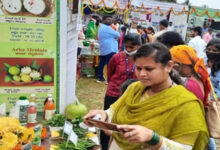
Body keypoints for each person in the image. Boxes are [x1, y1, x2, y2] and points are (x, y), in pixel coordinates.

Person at [84, 42, 209, 150]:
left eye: (149, 69)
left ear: (169, 66)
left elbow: (185, 148)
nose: (142, 74)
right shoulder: (135, 88)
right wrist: (103, 115)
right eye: (138, 68)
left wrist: (153, 138)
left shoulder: (186, 104)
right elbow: (114, 111)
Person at [100, 33, 141, 150]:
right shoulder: (116, 57)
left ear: (138, 46)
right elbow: (110, 74)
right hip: (114, 93)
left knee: (126, 122)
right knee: (108, 121)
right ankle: (104, 146)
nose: (128, 50)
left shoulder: (141, 60)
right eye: (126, 46)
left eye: (131, 47)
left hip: (132, 96)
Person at [96, 15, 120, 83]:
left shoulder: (101, 27)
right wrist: (114, 37)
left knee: (102, 63)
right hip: (110, 49)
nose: (110, 21)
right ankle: (109, 79)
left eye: (111, 19)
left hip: (104, 48)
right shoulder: (107, 28)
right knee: (110, 64)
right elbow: (118, 35)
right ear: (103, 20)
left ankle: (100, 77)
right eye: (108, 19)